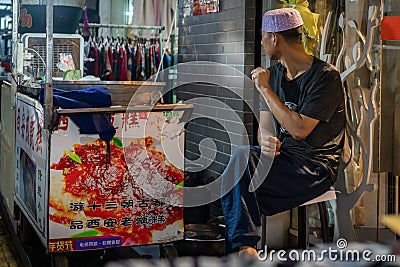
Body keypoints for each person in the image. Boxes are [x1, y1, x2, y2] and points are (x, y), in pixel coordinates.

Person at [221, 8, 345, 257]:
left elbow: (299, 130)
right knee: (232, 183)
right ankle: (244, 249)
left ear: (274, 38)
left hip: (314, 167)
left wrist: (265, 89)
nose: (263, 43)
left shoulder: (326, 77)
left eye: (263, 37)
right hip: (284, 161)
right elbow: (265, 124)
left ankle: (244, 250)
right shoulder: (274, 74)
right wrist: (265, 140)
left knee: (237, 184)